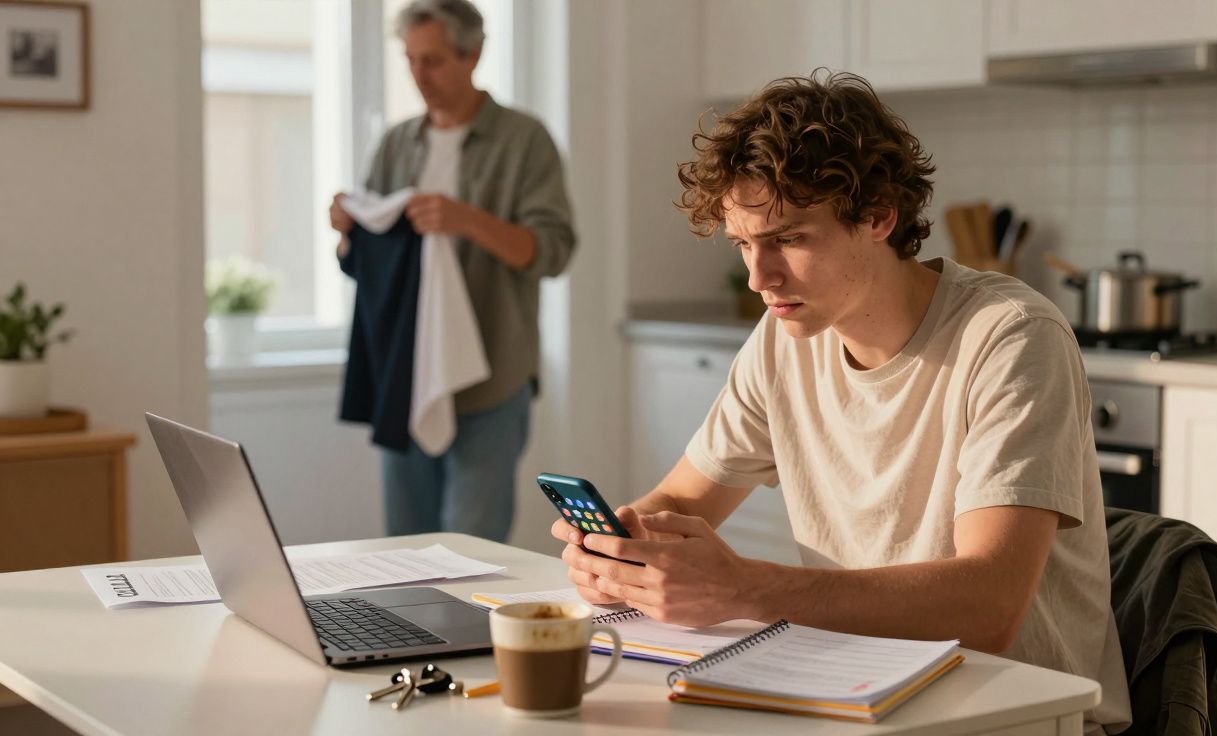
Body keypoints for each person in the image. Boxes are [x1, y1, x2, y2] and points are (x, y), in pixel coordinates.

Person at [551, 71, 1132, 733]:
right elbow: (682, 502)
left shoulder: (1011, 337)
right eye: (744, 244)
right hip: (858, 696)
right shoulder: (784, 337)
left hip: (1014, 714)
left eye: (788, 239)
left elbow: (989, 605)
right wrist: (621, 552)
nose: (759, 277)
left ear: (878, 215)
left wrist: (743, 588)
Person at [331, 0, 575, 543]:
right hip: (404, 371)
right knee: (406, 550)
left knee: (475, 552)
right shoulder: (395, 143)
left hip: (494, 375)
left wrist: (466, 220)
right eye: (410, 60)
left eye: (434, 60)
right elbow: (366, 266)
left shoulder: (524, 140)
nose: (419, 76)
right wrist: (348, 231)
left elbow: (554, 251)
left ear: (473, 54)